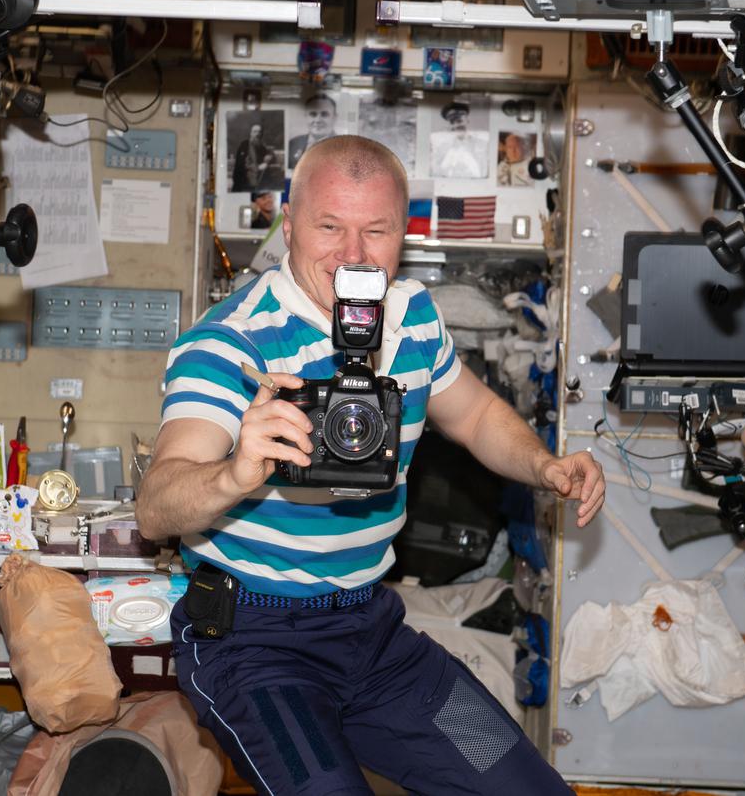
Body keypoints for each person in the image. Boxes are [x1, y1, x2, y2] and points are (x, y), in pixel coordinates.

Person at [139, 135, 604, 796]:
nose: (351, 255)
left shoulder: (413, 317)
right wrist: (235, 472)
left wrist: (545, 465)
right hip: (255, 642)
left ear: (403, 238)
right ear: (291, 223)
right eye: (329, 226)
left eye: (375, 231)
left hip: (372, 633)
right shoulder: (232, 342)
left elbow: (472, 415)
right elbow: (155, 503)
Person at [288, 93, 337, 168]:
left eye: (324, 114)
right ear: (306, 117)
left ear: (334, 117)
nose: (317, 120)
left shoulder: (344, 147)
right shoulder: (293, 143)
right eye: (313, 114)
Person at [232, 122, 283, 192]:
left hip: (258, 182)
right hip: (245, 183)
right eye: (255, 131)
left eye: (260, 132)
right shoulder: (244, 145)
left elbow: (271, 154)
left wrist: (269, 157)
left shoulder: (261, 146)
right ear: (251, 133)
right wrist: (258, 167)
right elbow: (242, 165)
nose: (257, 134)